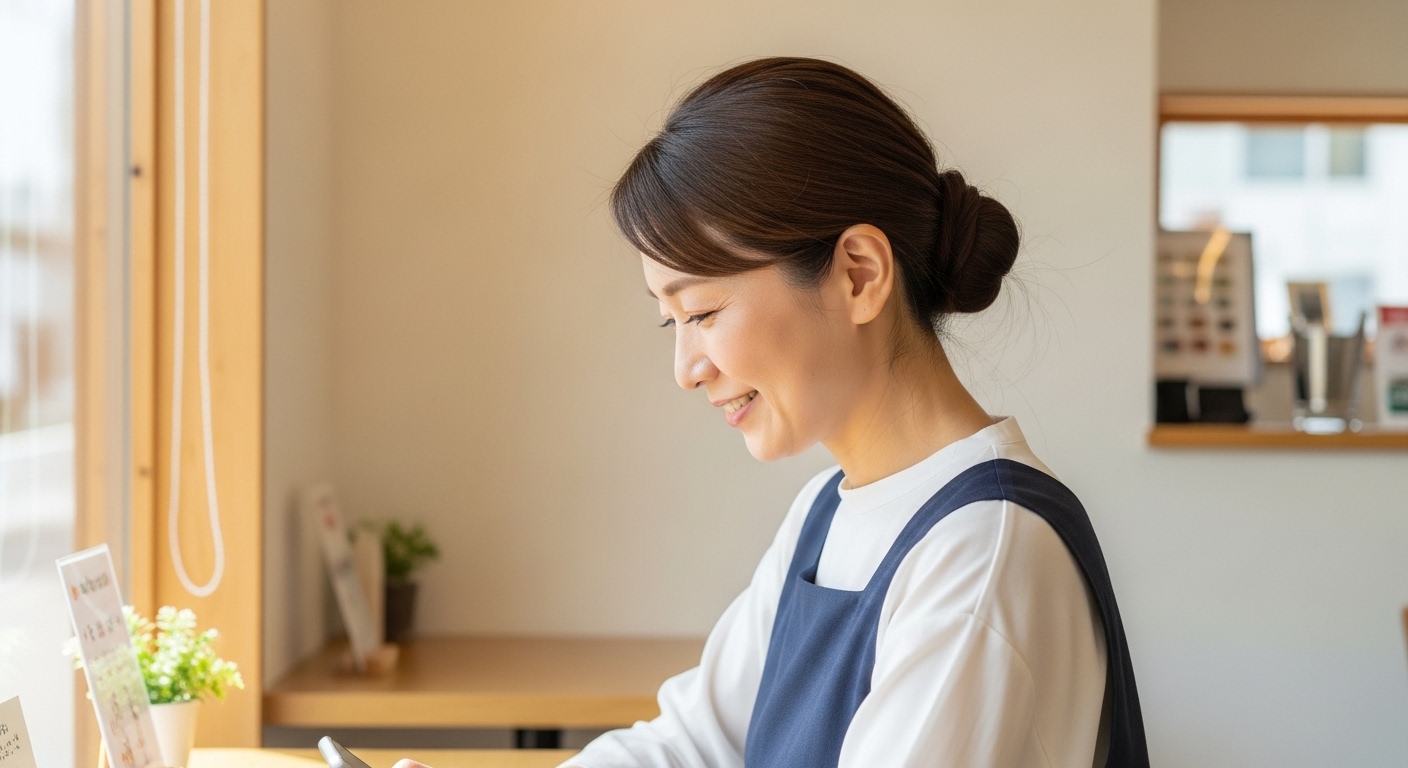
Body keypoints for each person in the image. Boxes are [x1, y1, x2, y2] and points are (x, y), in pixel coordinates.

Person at [398, 56, 1146, 768]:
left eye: (704, 311)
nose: (687, 370)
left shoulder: (984, 554)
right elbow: (696, 744)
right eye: (671, 321)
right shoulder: (826, 513)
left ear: (859, 274)